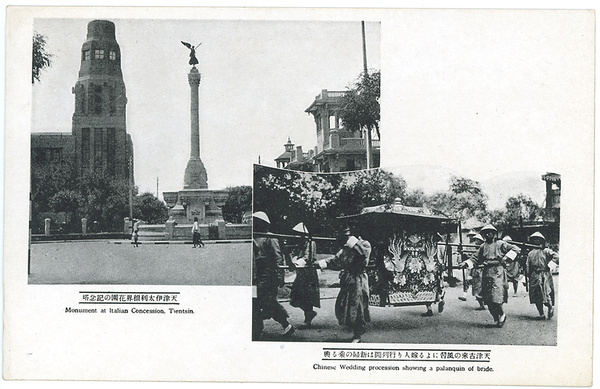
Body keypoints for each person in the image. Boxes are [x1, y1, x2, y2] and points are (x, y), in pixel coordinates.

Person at [317, 227, 371, 343]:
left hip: (359, 280)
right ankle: (354, 330)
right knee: (343, 305)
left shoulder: (364, 244)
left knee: (357, 307)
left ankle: (357, 334)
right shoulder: (345, 248)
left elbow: (364, 255)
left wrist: (353, 243)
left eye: (347, 236)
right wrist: (320, 264)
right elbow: (336, 261)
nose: (345, 238)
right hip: (348, 280)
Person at [461, 224, 520, 327]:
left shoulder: (501, 244)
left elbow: (516, 249)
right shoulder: (483, 246)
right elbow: (475, 258)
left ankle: (502, 314)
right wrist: (466, 263)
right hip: (486, 272)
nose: (489, 234)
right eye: (486, 233)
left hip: (498, 272)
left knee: (496, 296)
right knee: (487, 298)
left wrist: (506, 258)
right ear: (484, 235)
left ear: (494, 234)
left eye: (491, 232)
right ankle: (496, 317)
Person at [252, 211, 294, 340]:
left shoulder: (270, 238)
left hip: (268, 275)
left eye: (257, 222)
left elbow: (277, 258)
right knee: (256, 302)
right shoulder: (255, 237)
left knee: (267, 302)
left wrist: (280, 276)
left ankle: (285, 325)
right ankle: (257, 330)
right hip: (257, 274)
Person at [289, 222, 320, 329]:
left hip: (309, 272)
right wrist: (294, 260)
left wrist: (297, 261)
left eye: (298, 234)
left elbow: (308, 258)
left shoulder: (311, 243)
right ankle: (310, 313)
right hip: (301, 272)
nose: (296, 237)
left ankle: (308, 318)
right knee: (296, 296)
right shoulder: (299, 245)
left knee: (308, 296)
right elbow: (294, 255)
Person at [526, 232, 559, 319]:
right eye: (534, 239)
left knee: (545, 293)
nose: (536, 241)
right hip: (534, 275)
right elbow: (527, 265)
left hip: (545, 274)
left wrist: (550, 266)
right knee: (536, 295)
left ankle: (550, 307)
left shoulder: (546, 251)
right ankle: (541, 314)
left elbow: (556, 257)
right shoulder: (530, 253)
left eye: (538, 239)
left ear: (542, 241)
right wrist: (527, 276)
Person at [422, 232, 446, 317]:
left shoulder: (429, 245)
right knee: (437, 285)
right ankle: (440, 300)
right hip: (436, 266)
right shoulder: (441, 244)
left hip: (431, 266)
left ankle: (430, 308)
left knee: (428, 286)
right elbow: (444, 257)